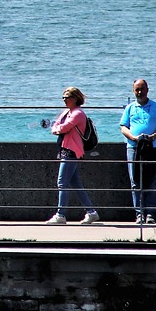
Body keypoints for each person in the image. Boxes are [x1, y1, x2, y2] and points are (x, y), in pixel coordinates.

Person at [45, 87, 100, 225]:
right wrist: (57, 128)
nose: (64, 100)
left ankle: (60, 215)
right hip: (65, 149)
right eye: (63, 97)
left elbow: (63, 128)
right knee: (76, 184)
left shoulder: (78, 114)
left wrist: (57, 129)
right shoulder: (66, 112)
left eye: (67, 97)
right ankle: (91, 212)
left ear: (75, 99)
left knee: (62, 182)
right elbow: (56, 125)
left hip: (72, 151)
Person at [120, 78, 156, 224]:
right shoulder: (130, 108)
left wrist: (153, 137)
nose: (140, 92)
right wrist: (134, 138)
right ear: (133, 91)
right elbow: (123, 127)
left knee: (151, 181)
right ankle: (139, 214)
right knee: (135, 182)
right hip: (133, 148)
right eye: (137, 89)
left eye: (142, 89)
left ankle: (150, 214)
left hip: (152, 147)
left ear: (147, 89)